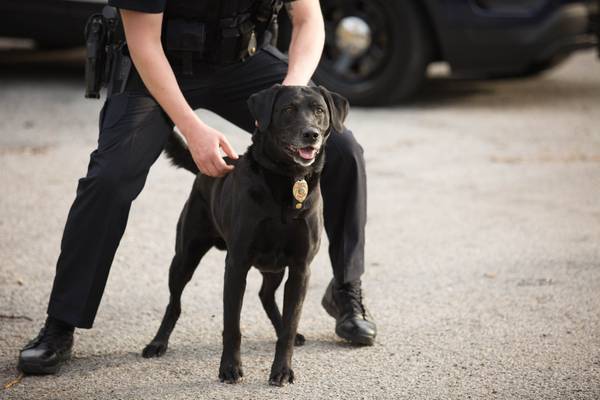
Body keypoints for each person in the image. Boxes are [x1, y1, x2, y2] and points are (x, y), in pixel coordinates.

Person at [18, 0, 376, 375]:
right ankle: (61, 323)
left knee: (344, 151)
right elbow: (144, 44)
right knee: (110, 178)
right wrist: (191, 128)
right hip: (159, 66)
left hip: (242, 60)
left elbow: (307, 20)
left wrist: (291, 91)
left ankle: (345, 289)